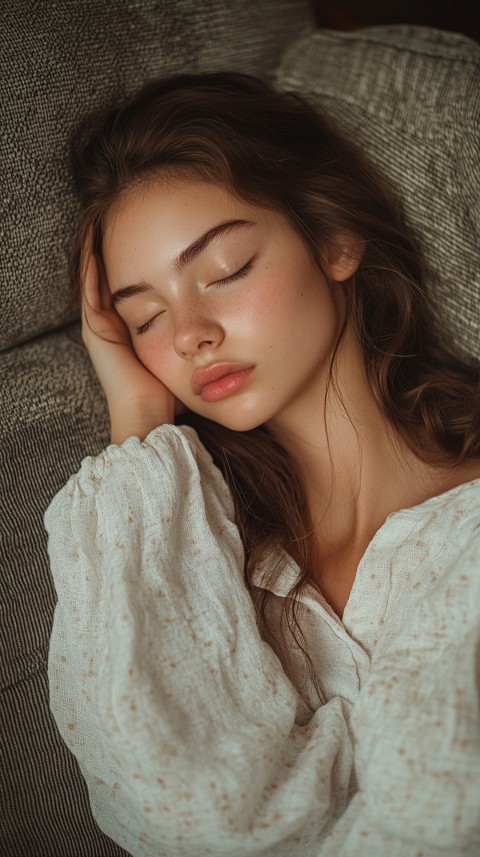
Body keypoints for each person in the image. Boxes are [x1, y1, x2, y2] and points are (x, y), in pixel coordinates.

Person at [45, 72, 480, 856]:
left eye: (227, 270)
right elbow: (176, 812)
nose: (189, 333)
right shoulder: (216, 576)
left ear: (336, 240)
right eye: (144, 316)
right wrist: (138, 420)